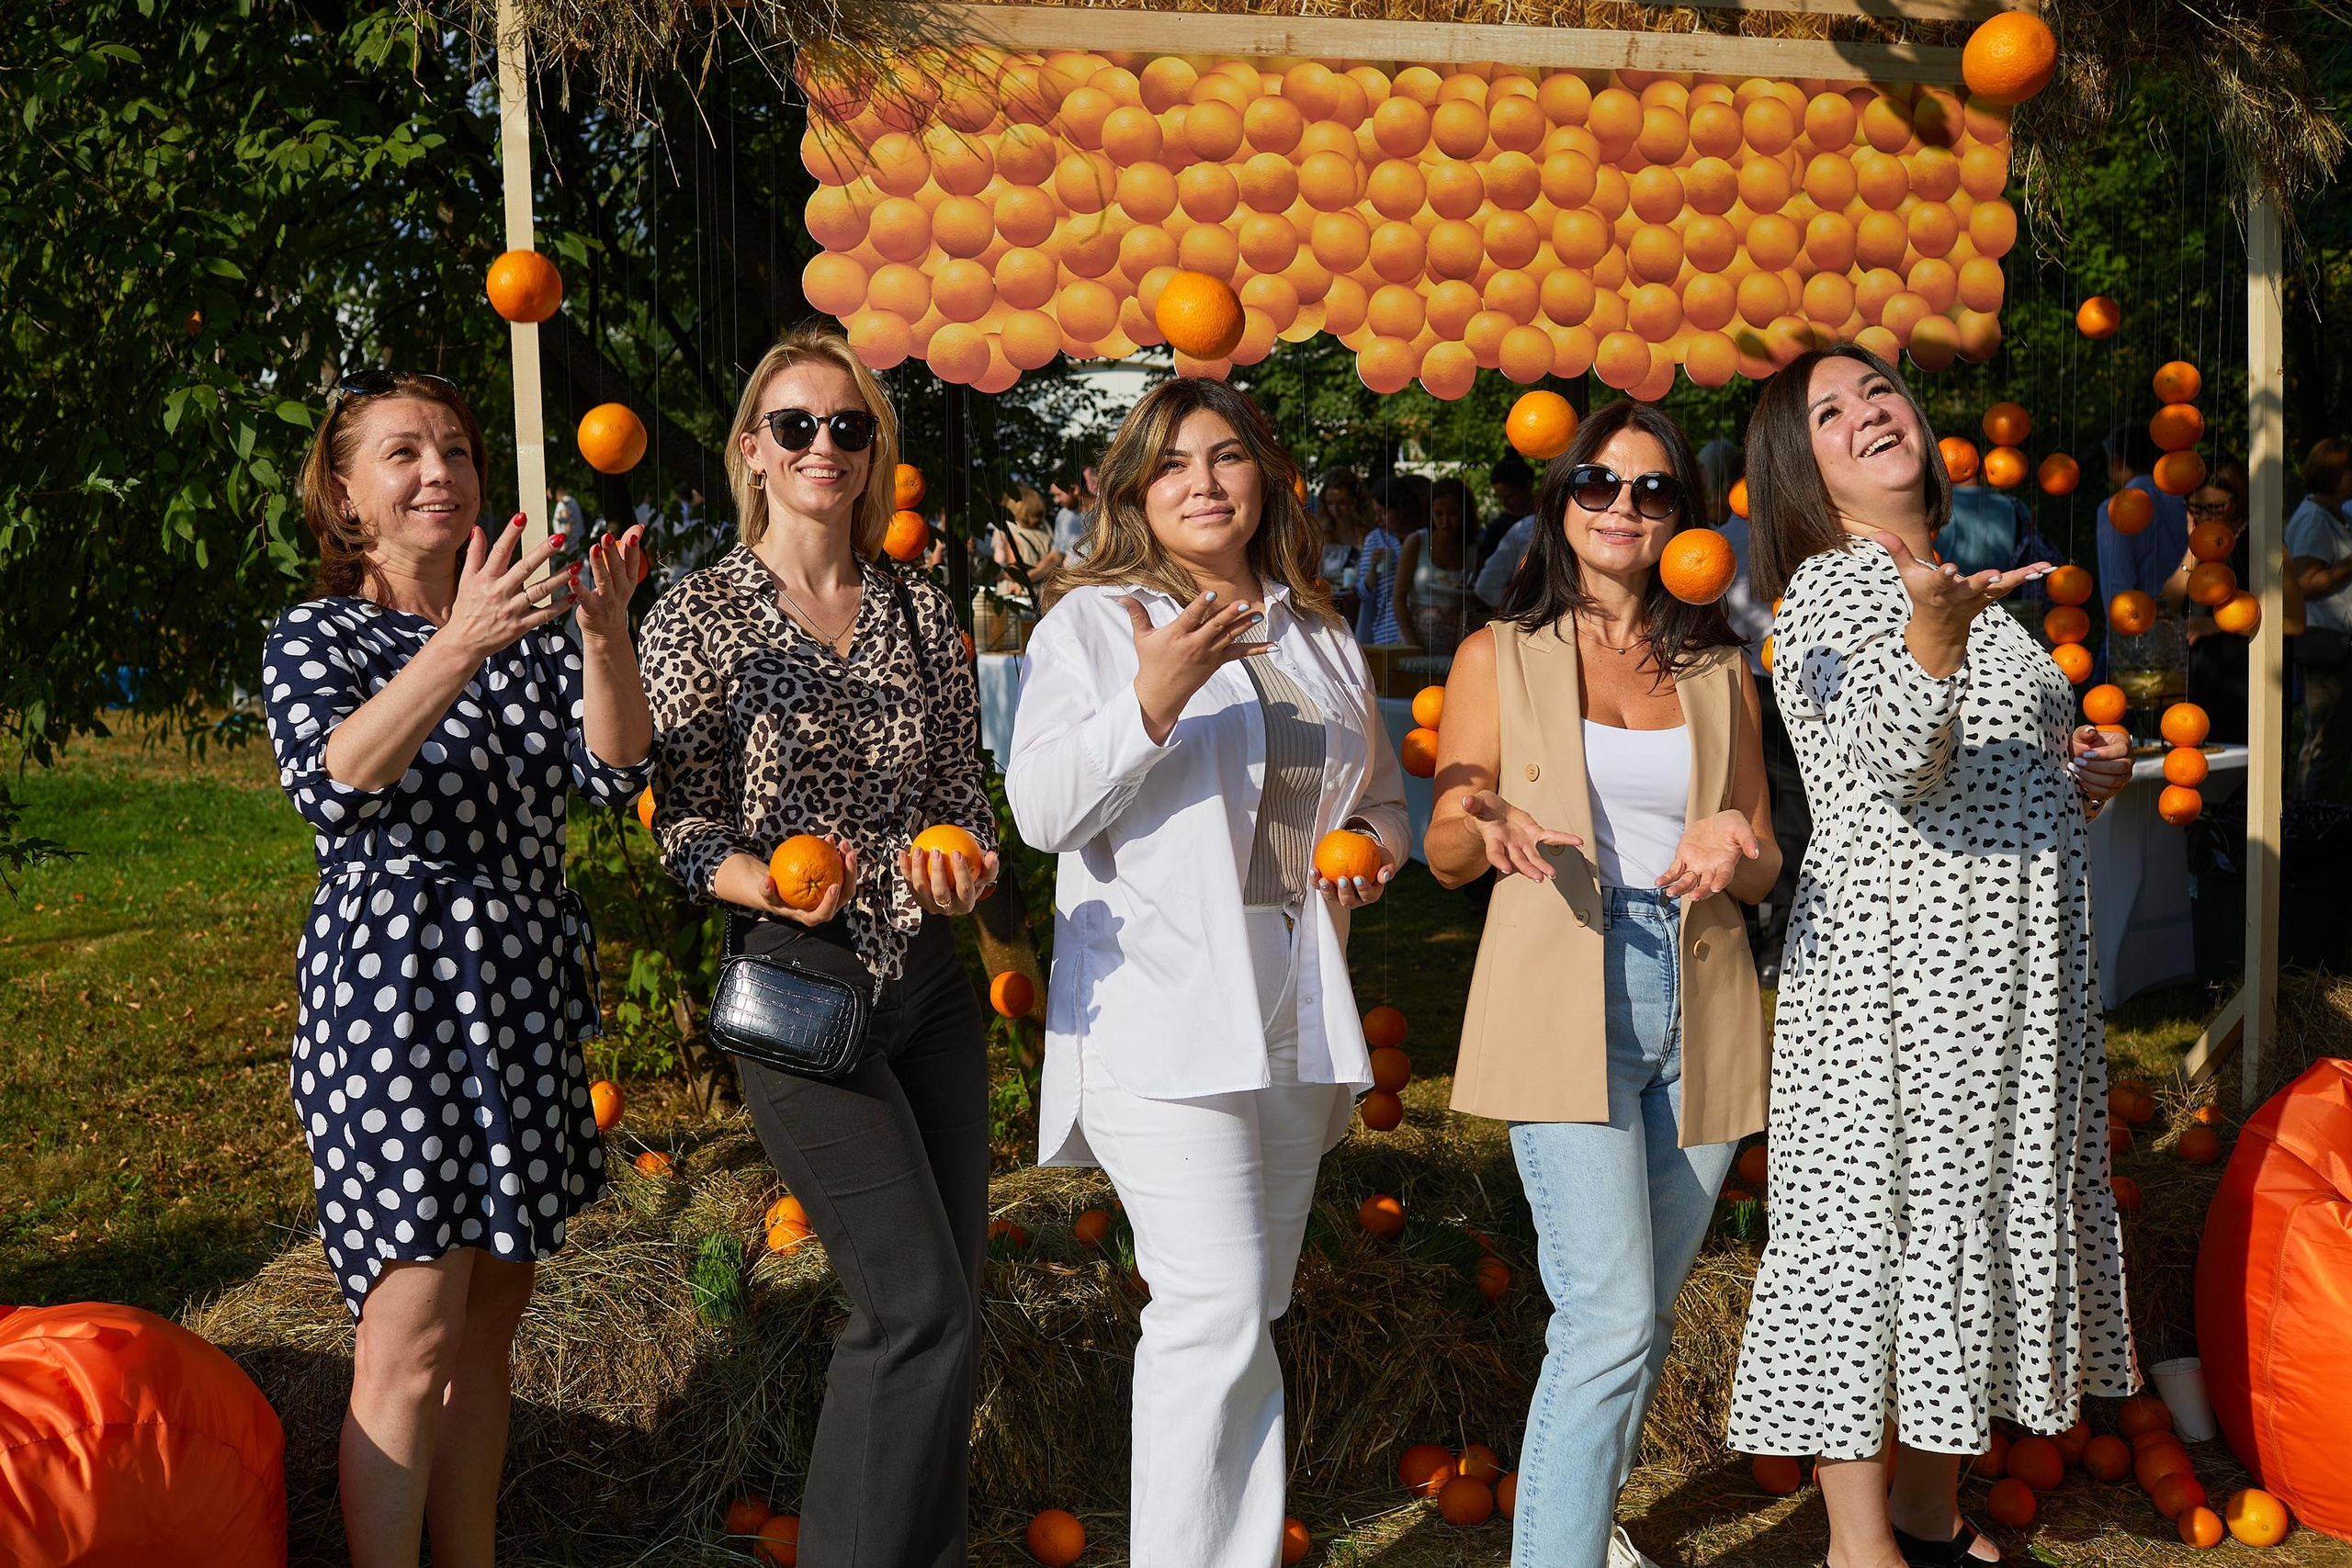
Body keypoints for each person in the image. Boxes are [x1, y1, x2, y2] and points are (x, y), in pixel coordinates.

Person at [1725, 346, 2136, 1568]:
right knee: (1876, 1229)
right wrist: (1932, 637)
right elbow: (1889, 759)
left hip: (2014, 979)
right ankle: (1862, 1545)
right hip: (1899, 985)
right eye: (1831, 412)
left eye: (1881, 392)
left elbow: (1994, 781)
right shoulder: (1827, 597)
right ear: (1805, 465)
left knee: (1981, 1209)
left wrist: (2082, 783)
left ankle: (1923, 1503)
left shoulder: (1970, 586)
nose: (1869, 415)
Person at [1006, 377, 1409, 1568]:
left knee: (1249, 1312)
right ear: (1136, 488)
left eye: (1227, 456)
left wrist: (1373, 855)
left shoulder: (1319, 631)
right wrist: (1156, 693)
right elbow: (1041, 810)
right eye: (1173, 463)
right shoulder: (1096, 622)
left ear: (1264, 476)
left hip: (1290, 1011)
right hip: (1160, 1016)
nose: (1203, 481)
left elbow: (1375, 802)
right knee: (1213, 1311)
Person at [264, 370, 651, 1567]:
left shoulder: (529, 637)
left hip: (523, 1003)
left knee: (490, 1322)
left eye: (457, 449)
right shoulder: (314, 634)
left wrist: (600, 636)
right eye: (403, 453)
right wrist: (458, 643)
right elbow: (339, 775)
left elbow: (616, 772)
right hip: (399, 1007)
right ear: (344, 494)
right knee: (411, 1330)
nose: (440, 469)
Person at [638, 326, 1000, 1568]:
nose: (824, 447)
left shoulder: (915, 608)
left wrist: (969, 862)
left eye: (849, 427)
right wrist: (758, 881)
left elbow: (966, 789)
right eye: (795, 425)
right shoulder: (699, 611)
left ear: (874, 453)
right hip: (799, 987)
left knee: (957, 1305)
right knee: (912, 1306)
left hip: (931, 991)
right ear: (752, 451)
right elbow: (674, 818)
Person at [1427, 400, 1777, 1568]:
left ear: (1685, 513)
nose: (1622, 507)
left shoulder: (1723, 665)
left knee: (1646, 1312)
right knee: (1609, 1314)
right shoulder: (1498, 654)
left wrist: (1736, 840)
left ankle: (1583, 1523)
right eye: (1597, 483)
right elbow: (1443, 839)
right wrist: (1482, 813)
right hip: (1567, 991)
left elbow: (1768, 853)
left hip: (1705, 991)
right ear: (1560, 501)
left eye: (1651, 488)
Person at [1701, 438, 1806, 984]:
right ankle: (1781, 933)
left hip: (1755, 685)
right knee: (1789, 811)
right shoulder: (1794, 537)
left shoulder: (1719, 544)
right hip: (1798, 687)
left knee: (1762, 806)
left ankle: (1768, 935)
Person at [2162, 458, 2304, 749]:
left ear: (2238, 501)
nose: (2205, 518)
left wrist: (2217, 625)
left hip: (2250, 683)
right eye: (2195, 508)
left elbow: (2295, 622)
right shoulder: (2202, 546)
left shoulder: (2265, 546)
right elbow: (2168, 602)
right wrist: (2193, 550)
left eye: (2216, 508)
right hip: (2203, 683)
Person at [2286, 437, 2352, 797]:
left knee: (2335, 738)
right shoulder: (2313, 519)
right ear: (2335, 474)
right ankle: (2307, 819)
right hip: (2324, 642)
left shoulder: (2337, 511)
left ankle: (2318, 816)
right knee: (2323, 740)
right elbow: (2305, 583)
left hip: (2338, 642)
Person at [2095, 421, 2191, 603]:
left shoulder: (2113, 510)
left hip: (2143, 619)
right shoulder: (2186, 500)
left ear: (2117, 461)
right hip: (2193, 614)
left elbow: (2117, 589)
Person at [1394, 475, 1482, 655]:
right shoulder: (1417, 541)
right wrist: (1414, 646)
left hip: (1456, 642)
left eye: (1453, 514)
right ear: (1430, 512)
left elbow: (1481, 600)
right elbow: (1398, 599)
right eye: (1439, 514)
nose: (1445, 522)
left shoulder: (1473, 551)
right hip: (1416, 637)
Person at [1357, 473, 1423, 645]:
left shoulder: (1423, 537)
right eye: (1376, 512)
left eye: (1384, 512)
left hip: (1423, 629)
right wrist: (1372, 567)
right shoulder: (1376, 539)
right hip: (1387, 632)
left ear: (1402, 510)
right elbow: (1364, 593)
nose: (1378, 519)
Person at [1315, 467, 1367, 626]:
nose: (1335, 510)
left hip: (1363, 610)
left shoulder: (1367, 535)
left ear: (1354, 501)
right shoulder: (1321, 535)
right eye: (1330, 503)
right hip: (1330, 609)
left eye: (1342, 502)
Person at [994, 481, 1056, 601]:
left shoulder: (1008, 529)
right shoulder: (1046, 531)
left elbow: (1008, 563)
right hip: (1043, 595)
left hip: (1015, 593)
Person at [1481, 450, 1537, 560]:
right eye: (1500, 497)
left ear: (1527, 486)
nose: (1504, 502)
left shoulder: (1548, 519)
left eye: (1510, 496)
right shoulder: (1497, 529)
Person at [1042, 468, 1097, 574]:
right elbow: (1055, 555)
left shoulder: (1107, 511)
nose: (1056, 501)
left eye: (1058, 495)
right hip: (1073, 583)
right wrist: (1029, 576)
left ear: (1075, 489)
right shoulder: (1063, 515)